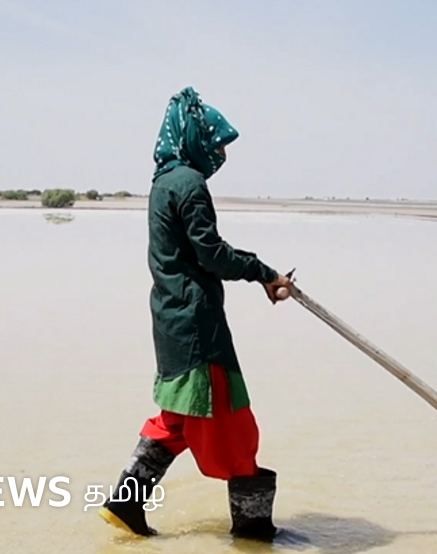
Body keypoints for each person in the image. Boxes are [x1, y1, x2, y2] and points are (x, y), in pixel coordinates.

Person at [99, 87, 292, 542]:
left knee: (176, 421)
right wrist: (263, 272)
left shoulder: (163, 182)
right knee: (235, 426)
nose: (222, 152)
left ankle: (125, 505)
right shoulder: (188, 183)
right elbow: (211, 255)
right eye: (218, 142)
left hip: (170, 320)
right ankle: (253, 533)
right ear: (195, 138)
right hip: (197, 328)